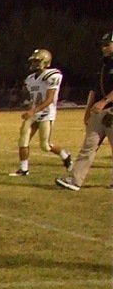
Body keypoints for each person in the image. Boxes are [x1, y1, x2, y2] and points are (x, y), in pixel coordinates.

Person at [57, 30, 113, 191]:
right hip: (98, 112)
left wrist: (104, 102)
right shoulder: (103, 64)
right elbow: (93, 89)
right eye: (102, 45)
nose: (103, 48)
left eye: (107, 45)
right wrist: (87, 110)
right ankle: (75, 180)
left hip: (110, 110)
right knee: (88, 146)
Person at [9, 49, 72, 177]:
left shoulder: (52, 75)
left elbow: (49, 100)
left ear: (45, 61)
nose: (34, 63)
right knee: (23, 140)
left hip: (46, 113)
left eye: (37, 61)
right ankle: (24, 169)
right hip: (34, 113)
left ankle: (66, 156)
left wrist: (33, 110)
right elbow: (32, 97)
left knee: (45, 146)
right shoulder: (30, 79)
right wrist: (27, 104)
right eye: (33, 61)